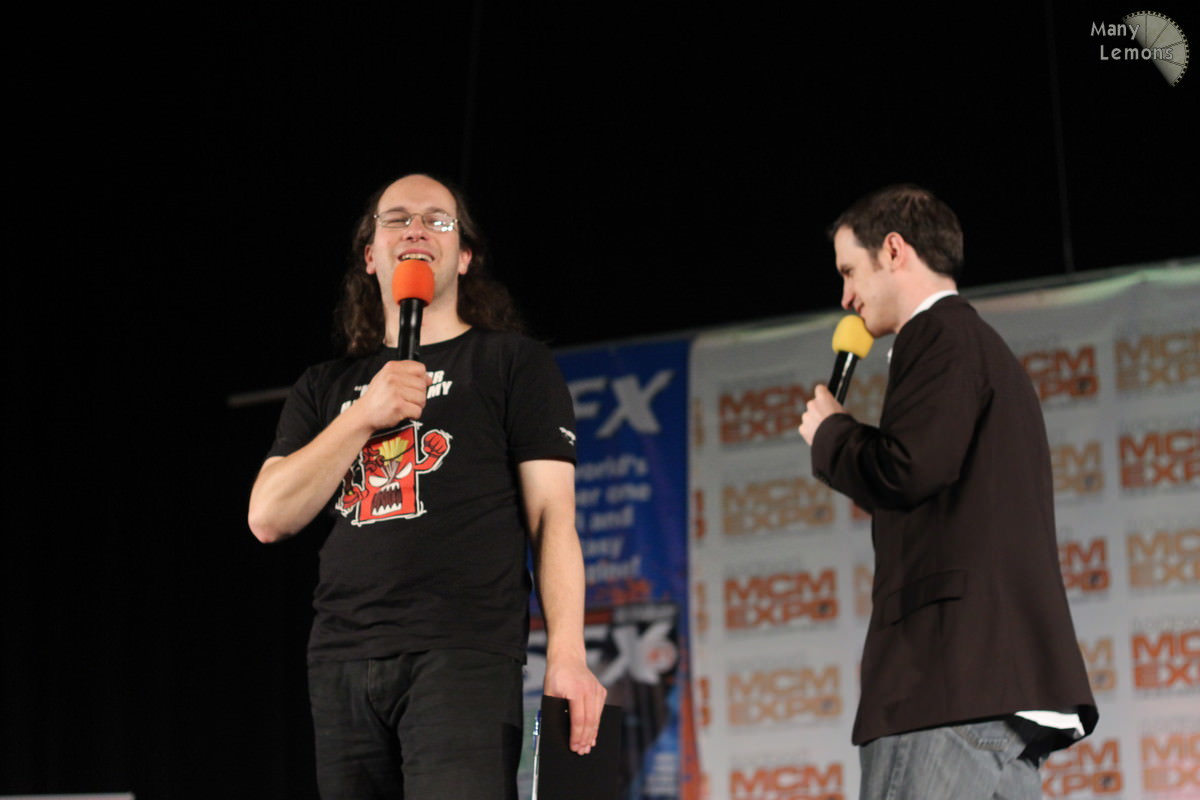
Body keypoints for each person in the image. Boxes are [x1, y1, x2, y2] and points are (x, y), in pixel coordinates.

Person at [248, 174, 606, 799]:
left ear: (464, 256)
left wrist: (568, 655)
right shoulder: (323, 387)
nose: (416, 229)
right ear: (370, 254)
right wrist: (364, 414)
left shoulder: (511, 364)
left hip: (462, 650)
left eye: (438, 220)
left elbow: (553, 517)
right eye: (397, 219)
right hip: (342, 658)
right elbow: (268, 515)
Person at [798, 185, 1097, 799]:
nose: (845, 297)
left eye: (849, 271)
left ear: (894, 250)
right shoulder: (979, 347)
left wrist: (832, 434)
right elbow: (934, 486)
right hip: (993, 699)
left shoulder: (937, 335)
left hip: (944, 688)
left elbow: (907, 469)